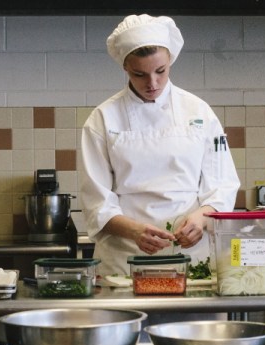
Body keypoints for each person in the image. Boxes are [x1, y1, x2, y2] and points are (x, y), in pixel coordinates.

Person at [80, 14, 240, 277]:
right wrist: (134, 231)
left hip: (193, 261)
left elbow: (223, 185)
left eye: (160, 71)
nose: (152, 83)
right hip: (125, 262)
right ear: (125, 68)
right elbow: (96, 203)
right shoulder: (102, 119)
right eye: (139, 74)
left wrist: (201, 218)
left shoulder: (198, 112)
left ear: (170, 62)